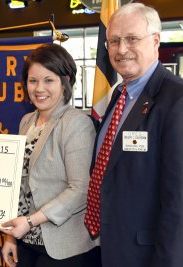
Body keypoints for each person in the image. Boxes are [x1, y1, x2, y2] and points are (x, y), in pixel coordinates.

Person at [84, 3, 183, 267]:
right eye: (114, 41)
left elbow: (178, 200)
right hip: (110, 248)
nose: (121, 49)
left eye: (131, 39)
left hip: (149, 255)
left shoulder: (176, 99)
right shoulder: (118, 95)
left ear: (155, 41)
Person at [0, 43, 101, 267]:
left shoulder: (77, 123)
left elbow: (80, 190)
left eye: (49, 80)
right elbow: (18, 183)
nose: (39, 88)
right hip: (26, 240)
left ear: (66, 82)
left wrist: (30, 221)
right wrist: (10, 237)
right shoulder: (26, 121)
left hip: (64, 248)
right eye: (33, 80)